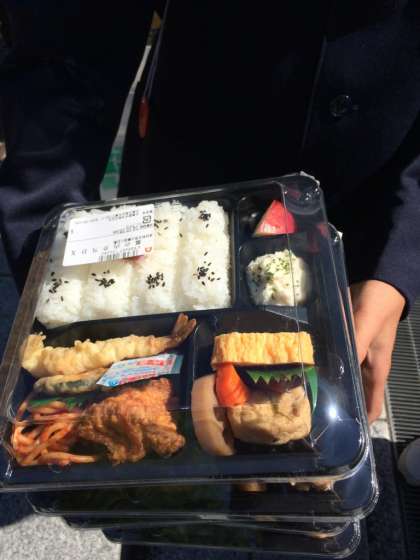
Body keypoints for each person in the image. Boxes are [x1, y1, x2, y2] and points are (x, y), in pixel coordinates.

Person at [0, 0, 419, 426]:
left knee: (315, 428)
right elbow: (68, 39)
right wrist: (48, 227)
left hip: (368, 212)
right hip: (184, 181)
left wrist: (397, 260)